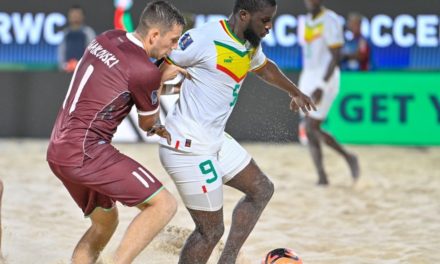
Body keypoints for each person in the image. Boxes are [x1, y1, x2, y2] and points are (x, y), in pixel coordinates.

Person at [158, 0, 316, 263]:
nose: (269, 26)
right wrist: (147, 103)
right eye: (264, 20)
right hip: (187, 146)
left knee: (262, 189)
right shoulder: (202, 38)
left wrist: (295, 91)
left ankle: (227, 260)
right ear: (243, 15)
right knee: (211, 231)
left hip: (214, 139)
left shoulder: (249, 41)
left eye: (271, 19)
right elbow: (158, 69)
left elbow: (264, 67)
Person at [46, 1, 187, 263]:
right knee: (164, 205)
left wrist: (158, 82)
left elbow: (122, 83)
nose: (175, 47)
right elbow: (147, 125)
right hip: (86, 152)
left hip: (58, 149)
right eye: (173, 40)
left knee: (104, 224)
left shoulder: (107, 37)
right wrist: (160, 80)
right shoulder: (145, 72)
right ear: (154, 35)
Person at [298, 0, 360, 185]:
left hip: (326, 78)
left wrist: (322, 85)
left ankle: (346, 158)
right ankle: (323, 175)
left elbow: (336, 56)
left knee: (311, 126)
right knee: (310, 130)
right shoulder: (306, 20)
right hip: (308, 76)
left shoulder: (330, 19)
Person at [58, 5, 96, 73]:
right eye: (73, 14)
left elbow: (93, 55)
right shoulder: (65, 34)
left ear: (83, 16)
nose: (75, 16)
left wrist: (79, 65)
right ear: (69, 17)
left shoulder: (88, 33)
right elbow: (61, 55)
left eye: (77, 14)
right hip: (67, 72)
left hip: (84, 73)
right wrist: (66, 66)